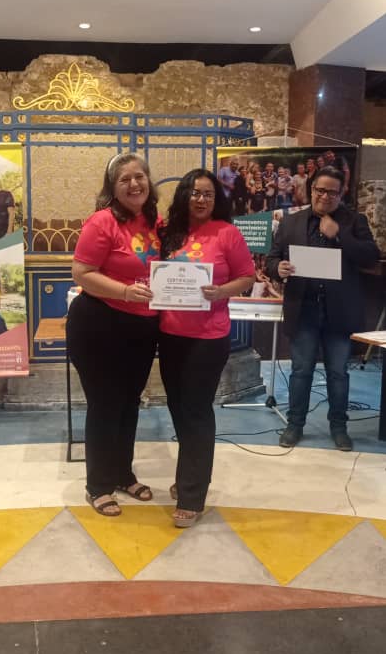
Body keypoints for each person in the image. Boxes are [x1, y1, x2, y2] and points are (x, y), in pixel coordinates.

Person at [157, 169, 255, 528]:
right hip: (169, 334)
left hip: (208, 338)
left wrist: (221, 292)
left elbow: (247, 276)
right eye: (195, 193)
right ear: (184, 195)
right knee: (178, 408)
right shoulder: (169, 233)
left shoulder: (227, 233)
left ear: (217, 200)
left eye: (208, 194)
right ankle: (190, 475)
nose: (201, 199)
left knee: (196, 411)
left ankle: (192, 495)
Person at [66, 154, 161, 517]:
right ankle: (98, 485)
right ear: (113, 187)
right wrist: (123, 292)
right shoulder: (101, 222)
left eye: (140, 177)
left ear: (149, 182)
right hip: (99, 325)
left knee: (129, 403)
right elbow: (82, 272)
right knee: (105, 405)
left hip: (140, 328)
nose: (134, 184)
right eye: (125, 179)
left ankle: (123, 473)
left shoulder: (156, 222)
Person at [265, 166, 380, 451]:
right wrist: (277, 268)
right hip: (303, 309)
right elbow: (272, 258)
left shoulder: (354, 221)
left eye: (332, 192)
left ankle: (339, 427)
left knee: (338, 372)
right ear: (311, 190)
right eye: (320, 190)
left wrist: (340, 235)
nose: (325, 196)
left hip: (339, 313)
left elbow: (370, 257)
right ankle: (295, 424)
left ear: (341, 194)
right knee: (301, 371)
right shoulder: (292, 222)